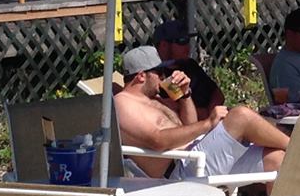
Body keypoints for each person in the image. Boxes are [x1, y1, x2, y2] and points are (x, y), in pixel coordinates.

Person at [116, 45, 289, 180]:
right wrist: (207, 123)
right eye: (159, 73)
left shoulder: (154, 100)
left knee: (276, 159)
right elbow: (157, 140)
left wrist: (184, 95)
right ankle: (299, 149)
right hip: (177, 172)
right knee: (240, 116)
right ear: (141, 76)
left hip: (195, 157)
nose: (163, 77)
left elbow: (189, 127)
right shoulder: (123, 103)